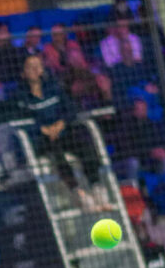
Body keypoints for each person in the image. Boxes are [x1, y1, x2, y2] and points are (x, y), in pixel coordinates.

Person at [12, 55, 110, 210]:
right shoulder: (20, 96)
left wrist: (61, 124)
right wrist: (42, 129)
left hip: (63, 132)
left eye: (38, 65)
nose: (36, 69)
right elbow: (20, 120)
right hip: (42, 140)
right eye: (31, 67)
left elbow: (71, 109)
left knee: (85, 146)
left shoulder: (54, 88)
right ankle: (78, 193)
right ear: (23, 73)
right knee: (58, 155)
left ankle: (96, 186)